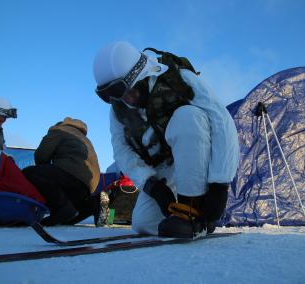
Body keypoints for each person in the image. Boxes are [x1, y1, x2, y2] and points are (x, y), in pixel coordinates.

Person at [92, 41, 240, 237]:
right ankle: (199, 223)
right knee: (142, 224)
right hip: (163, 167)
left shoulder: (178, 79)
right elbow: (121, 149)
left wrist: (220, 184)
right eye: (114, 94)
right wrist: (152, 185)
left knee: (188, 117)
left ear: (142, 74)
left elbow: (221, 120)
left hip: (195, 158)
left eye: (129, 89)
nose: (126, 98)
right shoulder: (118, 108)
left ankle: (191, 210)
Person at [22, 117, 101, 226]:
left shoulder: (59, 130)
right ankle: (87, 206)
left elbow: (41, 155)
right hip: (90, 184)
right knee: (66, 187)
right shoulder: (83, 138)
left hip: (71, 174)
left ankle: (62, 208)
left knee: (29, 173)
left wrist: (43, 173)